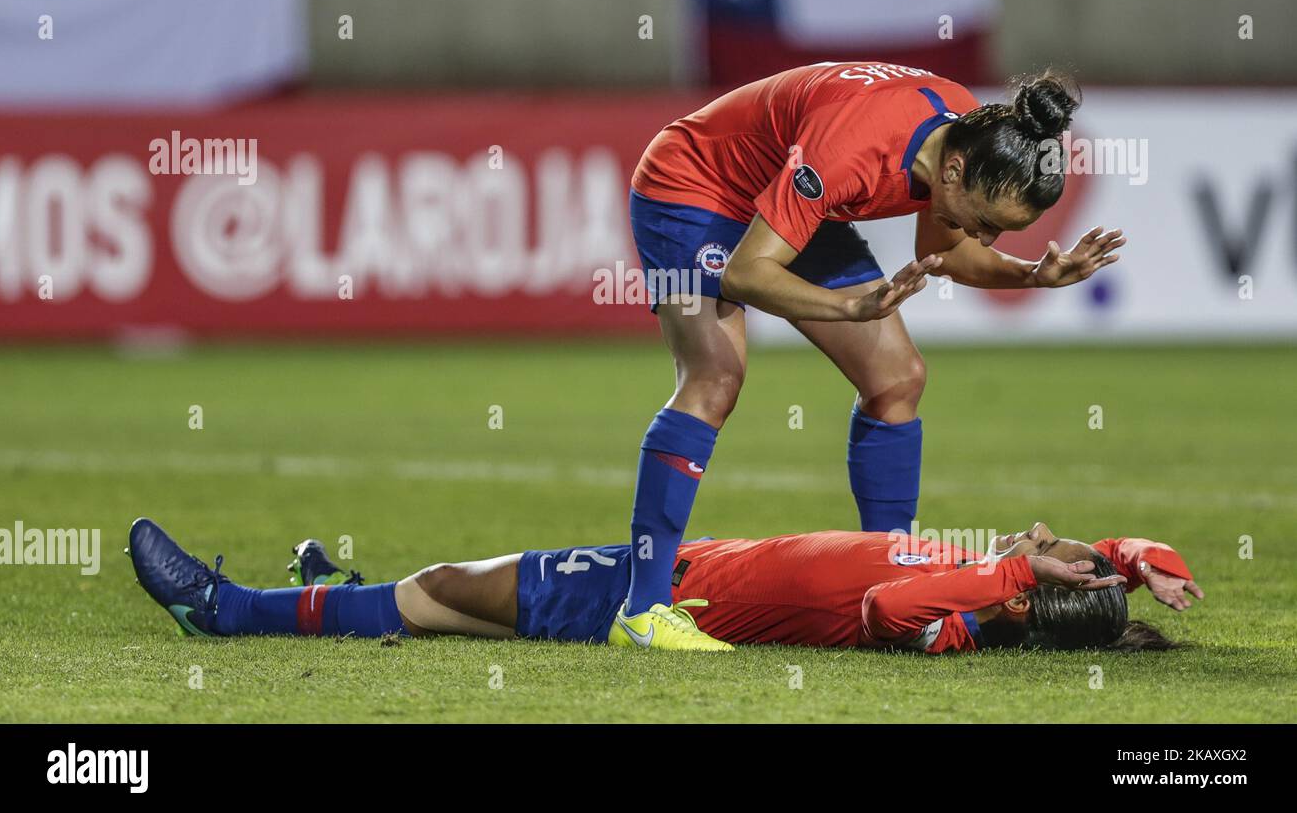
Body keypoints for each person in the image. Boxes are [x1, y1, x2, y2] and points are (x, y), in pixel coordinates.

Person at [619, 60, 1125, 649]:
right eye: (986, 222)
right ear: (955, 172)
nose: (985, 239)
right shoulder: (855, 148)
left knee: (898, 377)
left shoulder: (959, 137)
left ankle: (890, 570)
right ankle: (645, 610)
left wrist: (1036, 274)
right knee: (715, 378)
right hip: (695, 185)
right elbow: (747, 272)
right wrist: (849, 309)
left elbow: (950, 256)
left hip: (779, 196)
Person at [128, 518, 1199, 653]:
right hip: (692, 568)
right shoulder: (997, 583)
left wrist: (1012, 570)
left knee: (445, 585)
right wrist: (1140, 558)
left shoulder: (968, 609)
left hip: (677, 605)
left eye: (1072, 569)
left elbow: (884, 608)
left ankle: (223, 610)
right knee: (457, 591)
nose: (1054, 551)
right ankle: (347, 594)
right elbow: (1066, 573)